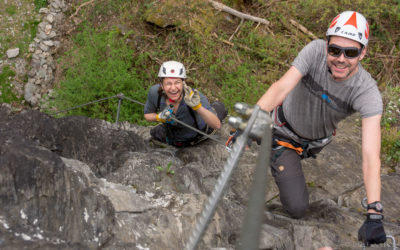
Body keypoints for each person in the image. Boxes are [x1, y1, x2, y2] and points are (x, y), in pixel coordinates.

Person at [255, 11, 386, 246]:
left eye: (351, 52)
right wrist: (252, 120)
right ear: (326, 44)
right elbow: (282, 86)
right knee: (296, 207)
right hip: (283, 132)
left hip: (314, 143)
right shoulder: (315, 51)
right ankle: (269, 146)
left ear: (363, 53)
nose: (341, 59)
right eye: (335, 50)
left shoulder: (367, 92)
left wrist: (374, 213)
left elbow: (370, 155)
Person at [144, 60, 227, 147]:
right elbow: (147, 115)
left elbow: (217, 125)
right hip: (175, 135)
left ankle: (217, 106)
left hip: (200, 133)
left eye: (177, 82)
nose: (173, 88)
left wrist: (197, 107)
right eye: (168, 83)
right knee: (155, 132)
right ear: (161, 85)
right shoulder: (155, 93)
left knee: (218, 108)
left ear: (183, 83)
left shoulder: (194, 97)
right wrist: (158, 117)